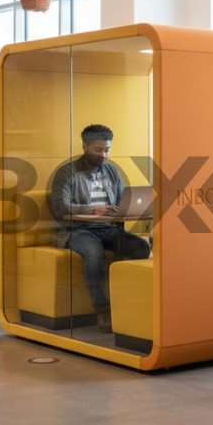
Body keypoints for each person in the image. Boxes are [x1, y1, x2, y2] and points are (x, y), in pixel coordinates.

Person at [49, 124, 151, 333]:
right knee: (94, 252)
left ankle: (127, 302)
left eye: (107, 150)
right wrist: (93, 209)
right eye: (98, 150)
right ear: (85, 146)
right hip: (77, 230)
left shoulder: (111, 172)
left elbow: (122, 200)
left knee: (140, 247)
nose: (103, 155)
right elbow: (60, 208)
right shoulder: (67, 173)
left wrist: (126, 209)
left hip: (108, 227)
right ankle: (103, 310)